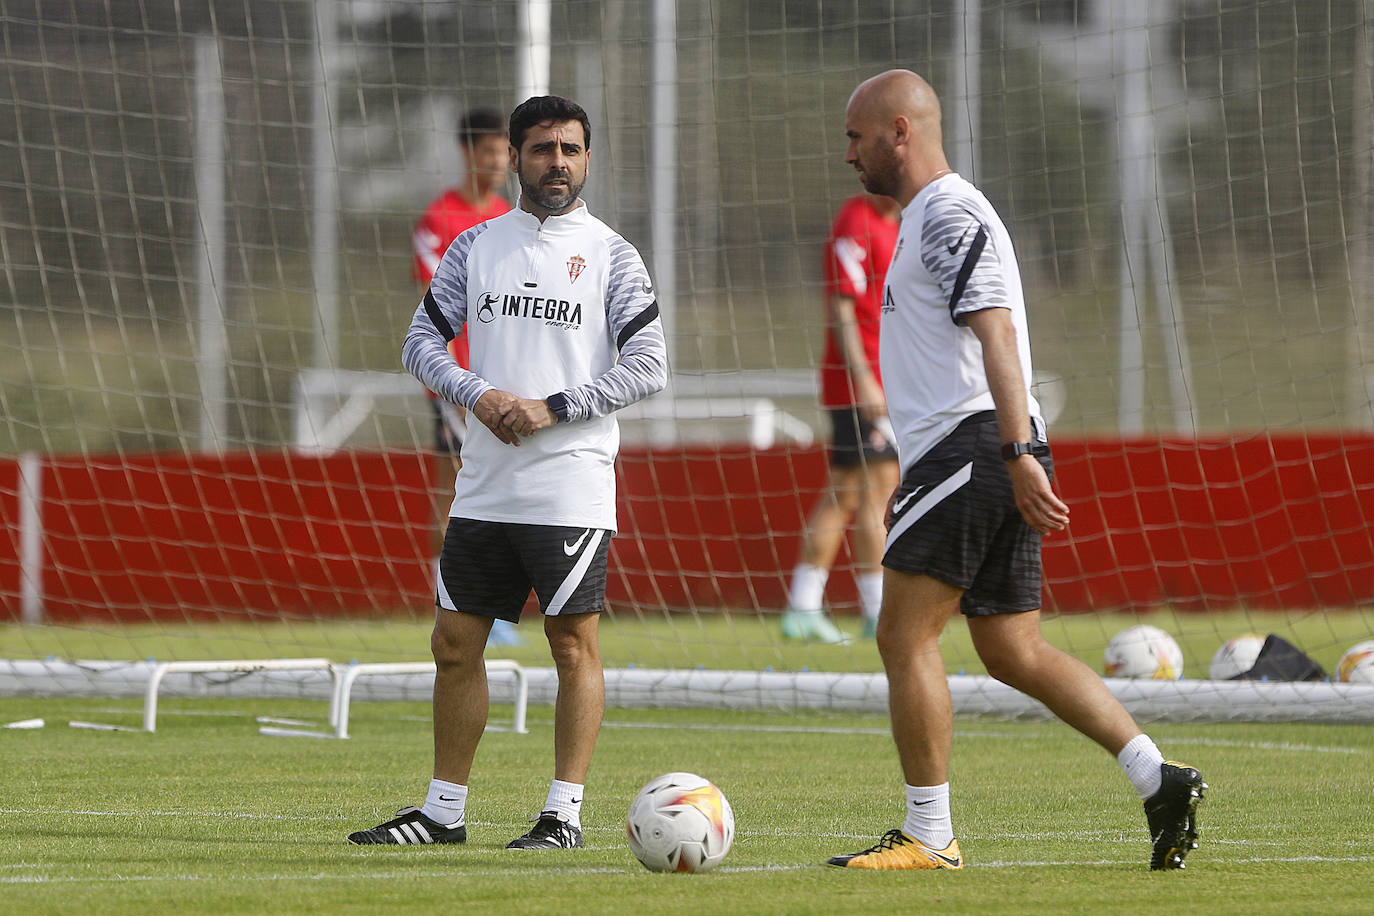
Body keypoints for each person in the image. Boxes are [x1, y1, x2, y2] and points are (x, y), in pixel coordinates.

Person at [825, 70, 1206, 872]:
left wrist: (1019, 453)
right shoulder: (927, 217)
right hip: (982, 449)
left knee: (903, 634)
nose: (848, 155)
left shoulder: (949, 212)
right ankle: (1158, 777)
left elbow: (996, 332)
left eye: (857, 137)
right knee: (1013, 650)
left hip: (977, 447)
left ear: (901, 130)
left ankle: (930, 834)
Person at [348, 95, 668, 849]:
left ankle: (562, 815)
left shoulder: (614, 254)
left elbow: (649, 367)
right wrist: (479, 394)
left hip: (570, 484)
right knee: (454, 644)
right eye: (542, 149)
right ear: (515, 158)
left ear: (587, 158)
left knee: (571, 645)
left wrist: (552, 407)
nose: (557, 162)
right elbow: (421, 342)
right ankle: (443, 812)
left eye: (571, 149)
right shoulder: (475, 246)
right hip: (484, 485)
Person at [412, 108, 521, 647]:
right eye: (489, 151)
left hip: (509, 384)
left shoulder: (508, 218)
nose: (499, 161)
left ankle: (494, 602)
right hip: (457, 387)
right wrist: (454, 387)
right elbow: (436, 312)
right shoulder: (439, 220)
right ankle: (450, 594)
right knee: (459, 486)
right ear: (467, 153)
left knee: (505, 486)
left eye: (504, 151)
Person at [781, 193, 902, 644]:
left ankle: (804, 607)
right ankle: (875, 611)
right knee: (877, 491)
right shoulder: (858, 220)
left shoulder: (895, 223)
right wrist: (865, 380)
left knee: (845, 495)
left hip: (878, 381)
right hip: (860, 385)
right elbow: (844, 306)